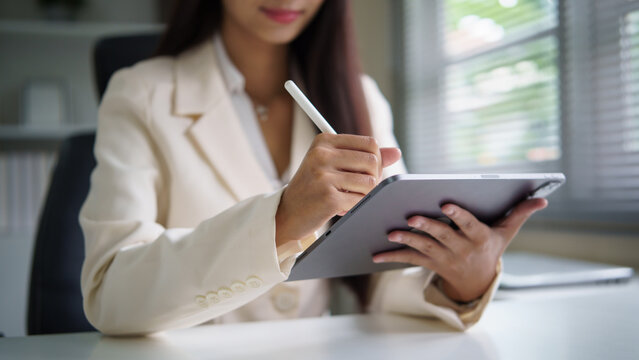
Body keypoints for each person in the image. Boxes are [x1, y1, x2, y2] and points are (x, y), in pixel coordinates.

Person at [80, 0, 547, 335]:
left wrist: (461, 281)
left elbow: (382, 271)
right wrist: (281, 219)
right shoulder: (140, 93)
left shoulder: (358, 96)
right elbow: (111, 292)